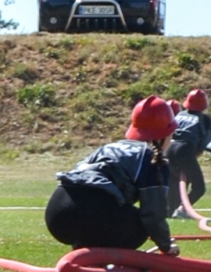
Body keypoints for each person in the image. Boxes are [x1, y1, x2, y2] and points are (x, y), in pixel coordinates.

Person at [46, 95, 178, 253]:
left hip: (57, 214)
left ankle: (87, 254)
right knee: (140, 224)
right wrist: (166, 246)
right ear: (166, 134)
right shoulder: (154, 160)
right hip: (91, 214)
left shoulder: (111, 147)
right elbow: (153, 215)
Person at [166, 89, 211, 215]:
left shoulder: (179, 115)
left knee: (176, 183)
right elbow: (204, 141)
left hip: (169, 149)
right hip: (184, 150)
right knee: (199, 187)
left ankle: (169, 211)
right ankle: (183, 209)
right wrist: (196, 150)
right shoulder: (204, 119)